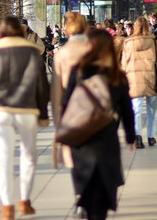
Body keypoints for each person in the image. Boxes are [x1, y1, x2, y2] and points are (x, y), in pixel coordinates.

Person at [0, 16, 49, 220]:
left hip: (1, 111)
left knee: (3, 158)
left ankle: (7, 206)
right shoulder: (32, 53)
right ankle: (25, 200)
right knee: (28, 155)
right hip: (26, 110)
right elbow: (42, 86)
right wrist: (43, 114)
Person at [63, 29, 135, 220]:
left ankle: (84, 203)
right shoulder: (116, 76)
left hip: (80, 138)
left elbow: (66, 103)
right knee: (103, 189)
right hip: (106, 137)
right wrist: (130, 137)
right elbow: (127, 110)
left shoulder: (76, 72)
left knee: (85, 181)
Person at [51, 12, 89, 218]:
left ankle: (80, 196)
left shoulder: (63, 53)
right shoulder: (97, 49)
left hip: (70, 109)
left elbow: (57, 89)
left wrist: (57, 119)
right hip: (95, 109)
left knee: (75, 154)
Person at [121, 16, 157, 149]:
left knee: (136, 109)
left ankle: (137, 136)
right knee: (152, 108)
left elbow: (123, 64)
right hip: (152, 78)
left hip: (134, 80)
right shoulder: (154, 42)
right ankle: (151, 136)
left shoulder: (128, 43)